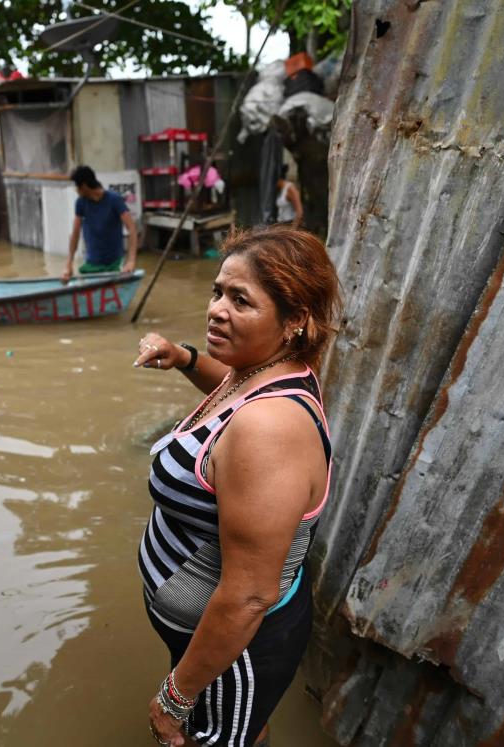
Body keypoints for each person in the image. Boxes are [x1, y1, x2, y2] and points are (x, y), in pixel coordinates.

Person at [132, 225, 341, 747]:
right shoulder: (263, 368)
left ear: (294, 320)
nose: (216, 309)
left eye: (240, 300)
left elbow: (248, 594)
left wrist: (173, 699)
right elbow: (229, 388)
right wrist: (183, 358)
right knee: (239, 730)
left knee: (220, 738)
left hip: (237, 650)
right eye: (217, 291)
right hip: (204, 633)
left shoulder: (269, 430)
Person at [62, 165, 138, 282]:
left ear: (84, 186)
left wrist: (131, 261)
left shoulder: (114, 200)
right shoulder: (81, 203)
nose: (76, 190)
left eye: (77, 186)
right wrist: (69, 263)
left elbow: (132, 228)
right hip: (91, 264)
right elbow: (75, 233)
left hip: (115, 263)